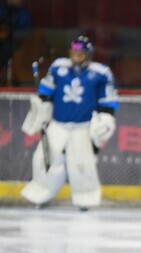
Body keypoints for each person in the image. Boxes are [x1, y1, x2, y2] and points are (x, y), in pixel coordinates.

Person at [20, 36, 119, 210]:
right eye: (74, 52)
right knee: (43, 159)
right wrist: (42, 103)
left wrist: (105, 117)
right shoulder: (59, 67)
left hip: (83, 127)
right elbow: (46, 90)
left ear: (88, 54)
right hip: (58, 124)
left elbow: (108, 100)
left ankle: (85, 199)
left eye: (80, 53)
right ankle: (42, 194)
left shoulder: (101, 73)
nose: (76, 56)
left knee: (82, 165)